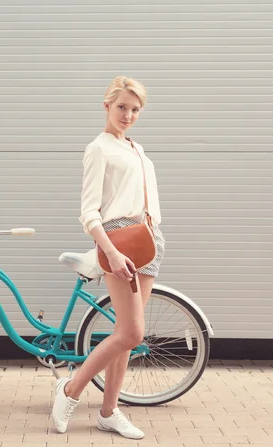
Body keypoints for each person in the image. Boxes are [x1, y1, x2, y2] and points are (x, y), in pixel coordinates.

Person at [50, 75, 165, 439]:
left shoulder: (137, 149)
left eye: (135, 109)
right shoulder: (98, 148)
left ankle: (109, 411)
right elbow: (89, 212)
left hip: (148, 238)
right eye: (121, 107)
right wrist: (111, 252)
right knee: (132, 332)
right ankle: (69, 390)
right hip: (120, 240)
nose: (128, 115)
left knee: (127, 336)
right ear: (106, 105)